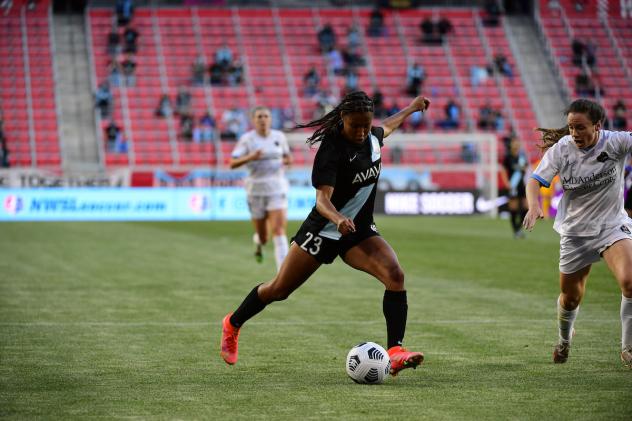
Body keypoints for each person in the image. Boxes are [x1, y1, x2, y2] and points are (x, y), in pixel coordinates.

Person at [220, 91, 431, 377]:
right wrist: (338, 218)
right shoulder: (332, 149)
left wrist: (411, 108)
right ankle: (232, 323)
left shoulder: (372, 138)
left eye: (365, 125)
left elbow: (389, 126)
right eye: (355, 125)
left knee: (395, 275)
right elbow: (322, 200)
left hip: (357, 230)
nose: (360, 132)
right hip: (324, 229)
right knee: (278, 290)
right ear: (343, 118)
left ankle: (394, 352)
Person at [523, 98, 632, 368]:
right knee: (571, 298)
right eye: (571, 128)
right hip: (575, 232)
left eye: (580, 128)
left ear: (597, 126)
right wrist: (535, 205)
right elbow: (535, 181)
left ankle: (628, 348)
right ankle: (564, 340)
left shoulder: (616, 142)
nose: (574, 134)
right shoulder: (562, 149)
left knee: (630, 281)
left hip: (612, 225)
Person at [230, 106, 292, 271]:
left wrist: (287, 162)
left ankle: (283, 274)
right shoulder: (247, 139)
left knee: (278, 231)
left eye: (266, 116)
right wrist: (251, 156)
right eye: (259, 117)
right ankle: (258, 243)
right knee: (264, 237)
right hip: (255, 191)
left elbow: (288, 157)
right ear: (253, 120)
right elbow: (232, 163)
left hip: (277, 188)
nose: (263, 119)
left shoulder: (279, 137)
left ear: (270, 119)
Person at [500, 136, 529, 238]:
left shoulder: (522, 157)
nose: (516, 144)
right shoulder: (508, 157)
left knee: (526, 207)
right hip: (513, 185)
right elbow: (503, 171)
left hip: (522, 185)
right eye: (514, 142)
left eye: (517, 142)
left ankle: (518, 229)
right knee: (513, 208)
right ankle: (516, 231)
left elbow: (526, 169)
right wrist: (506, 183)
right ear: (511, 144)